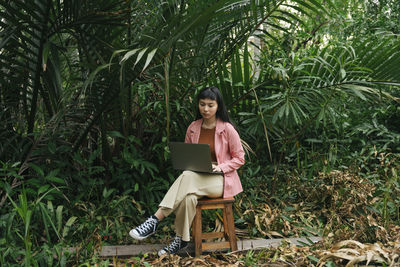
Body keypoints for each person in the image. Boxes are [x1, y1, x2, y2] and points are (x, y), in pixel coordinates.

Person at [129, 86, 245, 256]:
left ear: (218, 106)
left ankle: (155, 219)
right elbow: (188, 158)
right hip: (197, 177)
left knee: (188, 176)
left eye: (210, 105)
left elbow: (240, 158)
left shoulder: (227, 129)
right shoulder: (193, 127)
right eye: (202, 104)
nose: (205, 109)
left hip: (220, 179)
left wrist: (220, 167)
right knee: (188, 197)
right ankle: (181, 240)